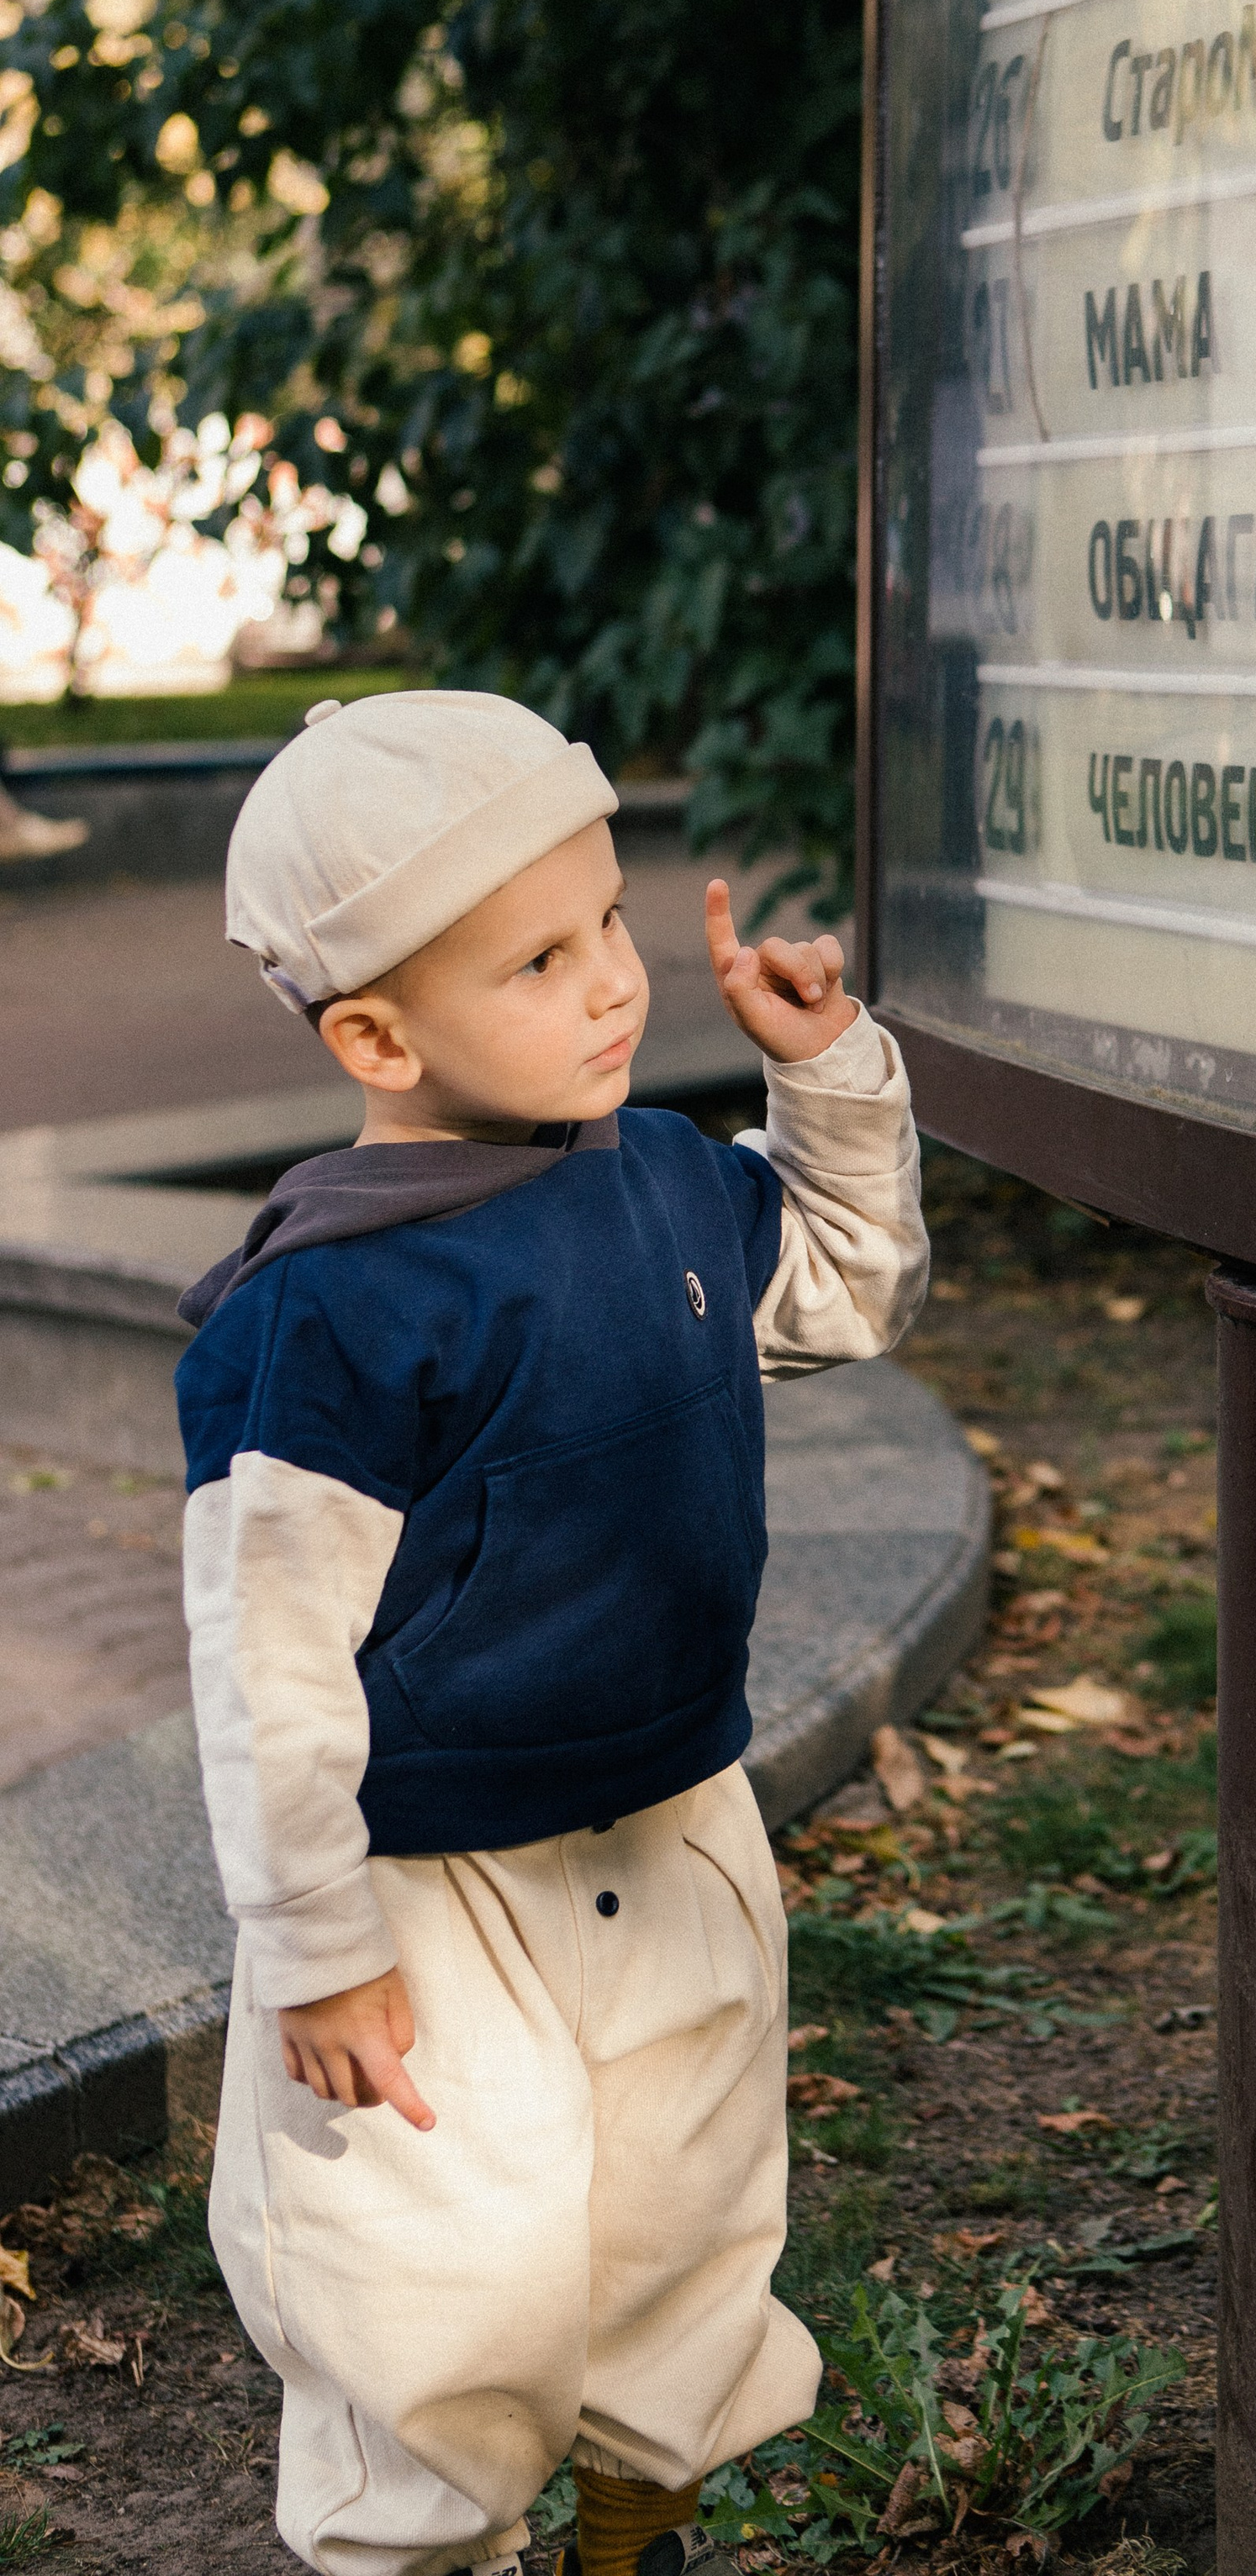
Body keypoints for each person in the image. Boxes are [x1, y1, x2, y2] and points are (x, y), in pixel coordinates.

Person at [175, 690, 928, 2576]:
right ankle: (429, 2550)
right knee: (442, 2287)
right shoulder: (327, 1315)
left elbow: (843, 1293)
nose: (606, 981)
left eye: (607, 919)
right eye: (535, 957)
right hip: (432, 1901)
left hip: (671, 1825)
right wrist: (319, 1949)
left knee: (673, 2238)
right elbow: (265, 1664)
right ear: (374, 1031)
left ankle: (631, 2525)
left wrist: (824, 1074)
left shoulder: (665, 1179)